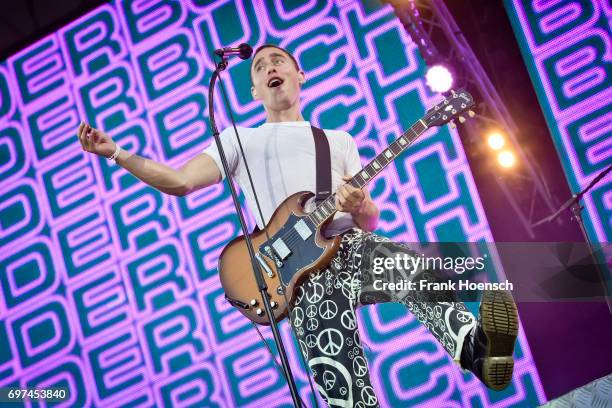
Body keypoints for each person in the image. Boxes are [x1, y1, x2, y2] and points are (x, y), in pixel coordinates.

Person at [76, 44, 519, 407]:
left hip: (345, 249)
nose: (270, 66)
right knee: (342, 387)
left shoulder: (336, 142)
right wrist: (117, 153)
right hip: (293, 279)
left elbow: (366, 217)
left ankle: (476, 349)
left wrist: (361, 200)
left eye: (278, 61)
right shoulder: (240, 139)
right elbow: (179, 181)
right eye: (260, 66)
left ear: (299, 75)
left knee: (411, 267)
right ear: (254, 91)